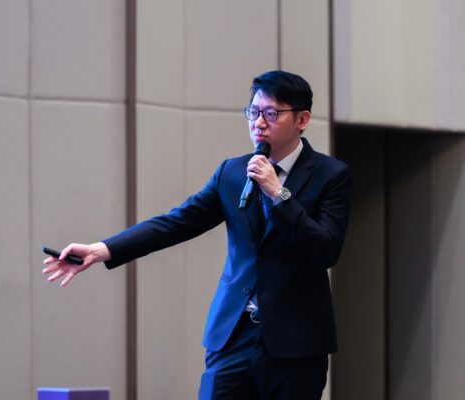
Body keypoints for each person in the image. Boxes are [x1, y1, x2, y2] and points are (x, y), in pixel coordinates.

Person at [42, 70, 352, 400]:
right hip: (232, 335)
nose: (259, 123)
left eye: (272, 113)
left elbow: (325, 249)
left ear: (302, 119)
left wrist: (279, 195)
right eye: (253, 112)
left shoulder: (331, 175)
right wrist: (102, 249)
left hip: (295, 342)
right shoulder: (232, 172)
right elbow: (176, 223)